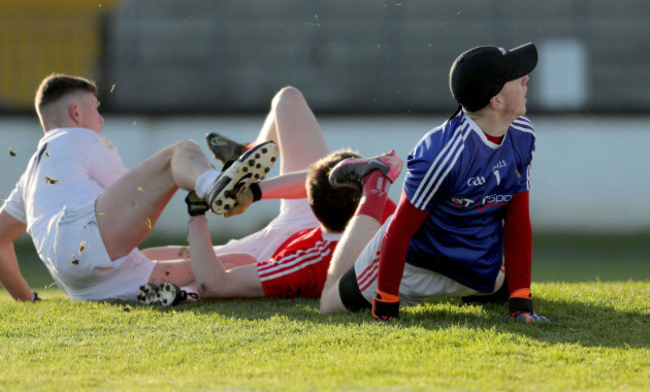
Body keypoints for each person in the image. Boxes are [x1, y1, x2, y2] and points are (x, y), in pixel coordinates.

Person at [319, 42, 550, 323]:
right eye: (517, 77)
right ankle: (374, 183)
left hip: (476, 267)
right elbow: (399, 232)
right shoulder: (440, 155)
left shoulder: (522, 133)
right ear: (496, 101)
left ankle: (475, 286)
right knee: (330, 303)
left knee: (503, 289)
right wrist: (387, 304)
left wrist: (521, 303)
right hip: (414, 268)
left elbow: (517, 222)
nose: (526, 79)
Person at [0, 73, 277, 302]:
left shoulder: (32, 173)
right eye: (95, 107)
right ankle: (215, 184)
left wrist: (28, 300)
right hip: (88, 238)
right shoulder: (79, 138)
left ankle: (186, 294)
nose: (101, 118)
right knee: (181, 151)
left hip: (83, 285)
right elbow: (138, 194)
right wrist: (187, 176)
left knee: (238, 260)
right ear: (75, 112)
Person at [138, 86, 399, 303]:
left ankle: (177, 292)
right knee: (288, 100)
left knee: (199, 261)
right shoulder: (381, 208)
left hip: (276, 247)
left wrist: (197, 214)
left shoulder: (306, 261)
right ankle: (244, 156)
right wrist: (253, 191)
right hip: (325, 217)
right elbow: (322, 179)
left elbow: (215, 284)